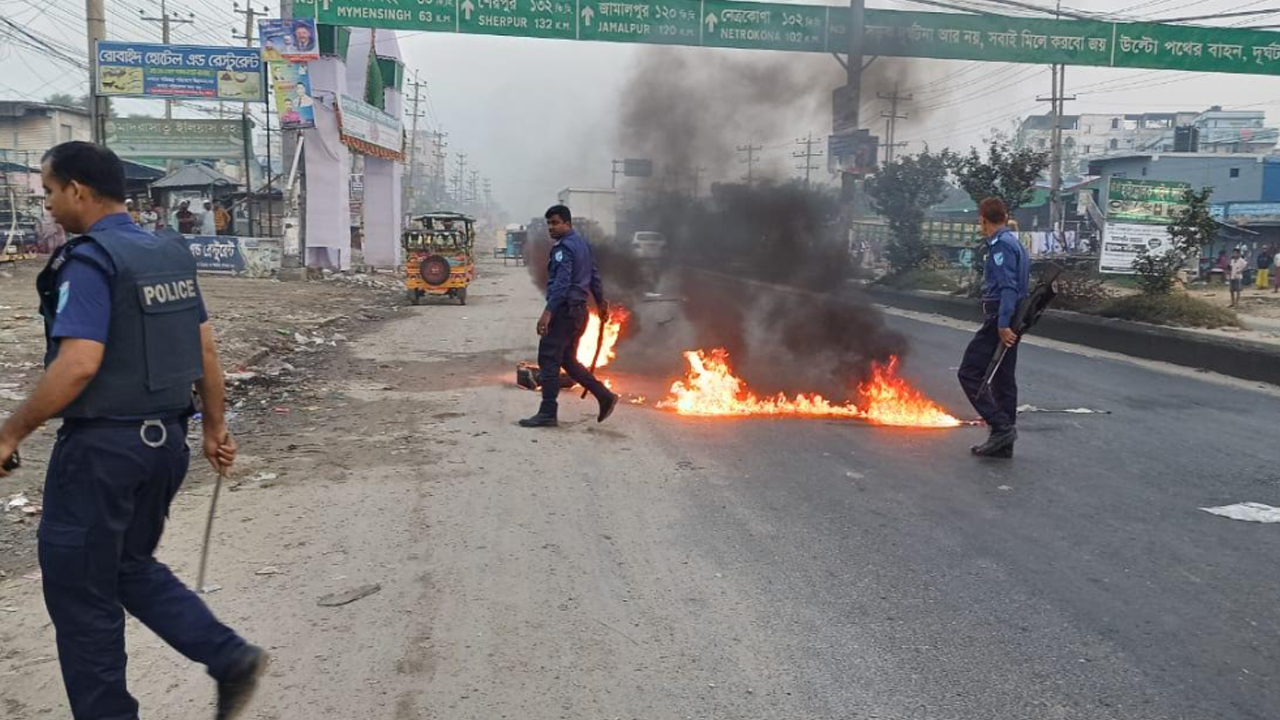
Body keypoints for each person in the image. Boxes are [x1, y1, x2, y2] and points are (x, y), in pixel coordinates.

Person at [0, 142, 267, 720]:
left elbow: (77, 364)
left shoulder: (91, 259)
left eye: (48, 191)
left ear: (78, 189)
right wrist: (214, 429)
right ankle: (227, 656)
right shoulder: (166, 252)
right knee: (126, 566)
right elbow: (206, 349)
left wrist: (10, 432)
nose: (46, 205)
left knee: (80, 594)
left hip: (103, 451)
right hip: (163, 446)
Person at [520, 205, 619, 428]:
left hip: (565, 312)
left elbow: (562, 284)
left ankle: (547, 413)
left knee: (548, 358)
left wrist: (547, 313)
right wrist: (601, 302)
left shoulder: (563, 249)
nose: (551, 228)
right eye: (549, 224)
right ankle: (604, 396)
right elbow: (594, 276)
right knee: (568, 360)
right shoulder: (583, 245)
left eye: (555, 223)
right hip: (579, 313)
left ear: (567, 223)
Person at [957, 197, 1029, 459]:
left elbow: (1009, 287)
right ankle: (1003, 443)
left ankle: (1000, 427)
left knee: (969, 372)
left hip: (1001, 319)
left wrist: (1001, 325)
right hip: (1012, 319)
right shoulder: (1015, 242)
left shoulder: (1001, 246)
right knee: (1003, 379)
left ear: (982, 219)